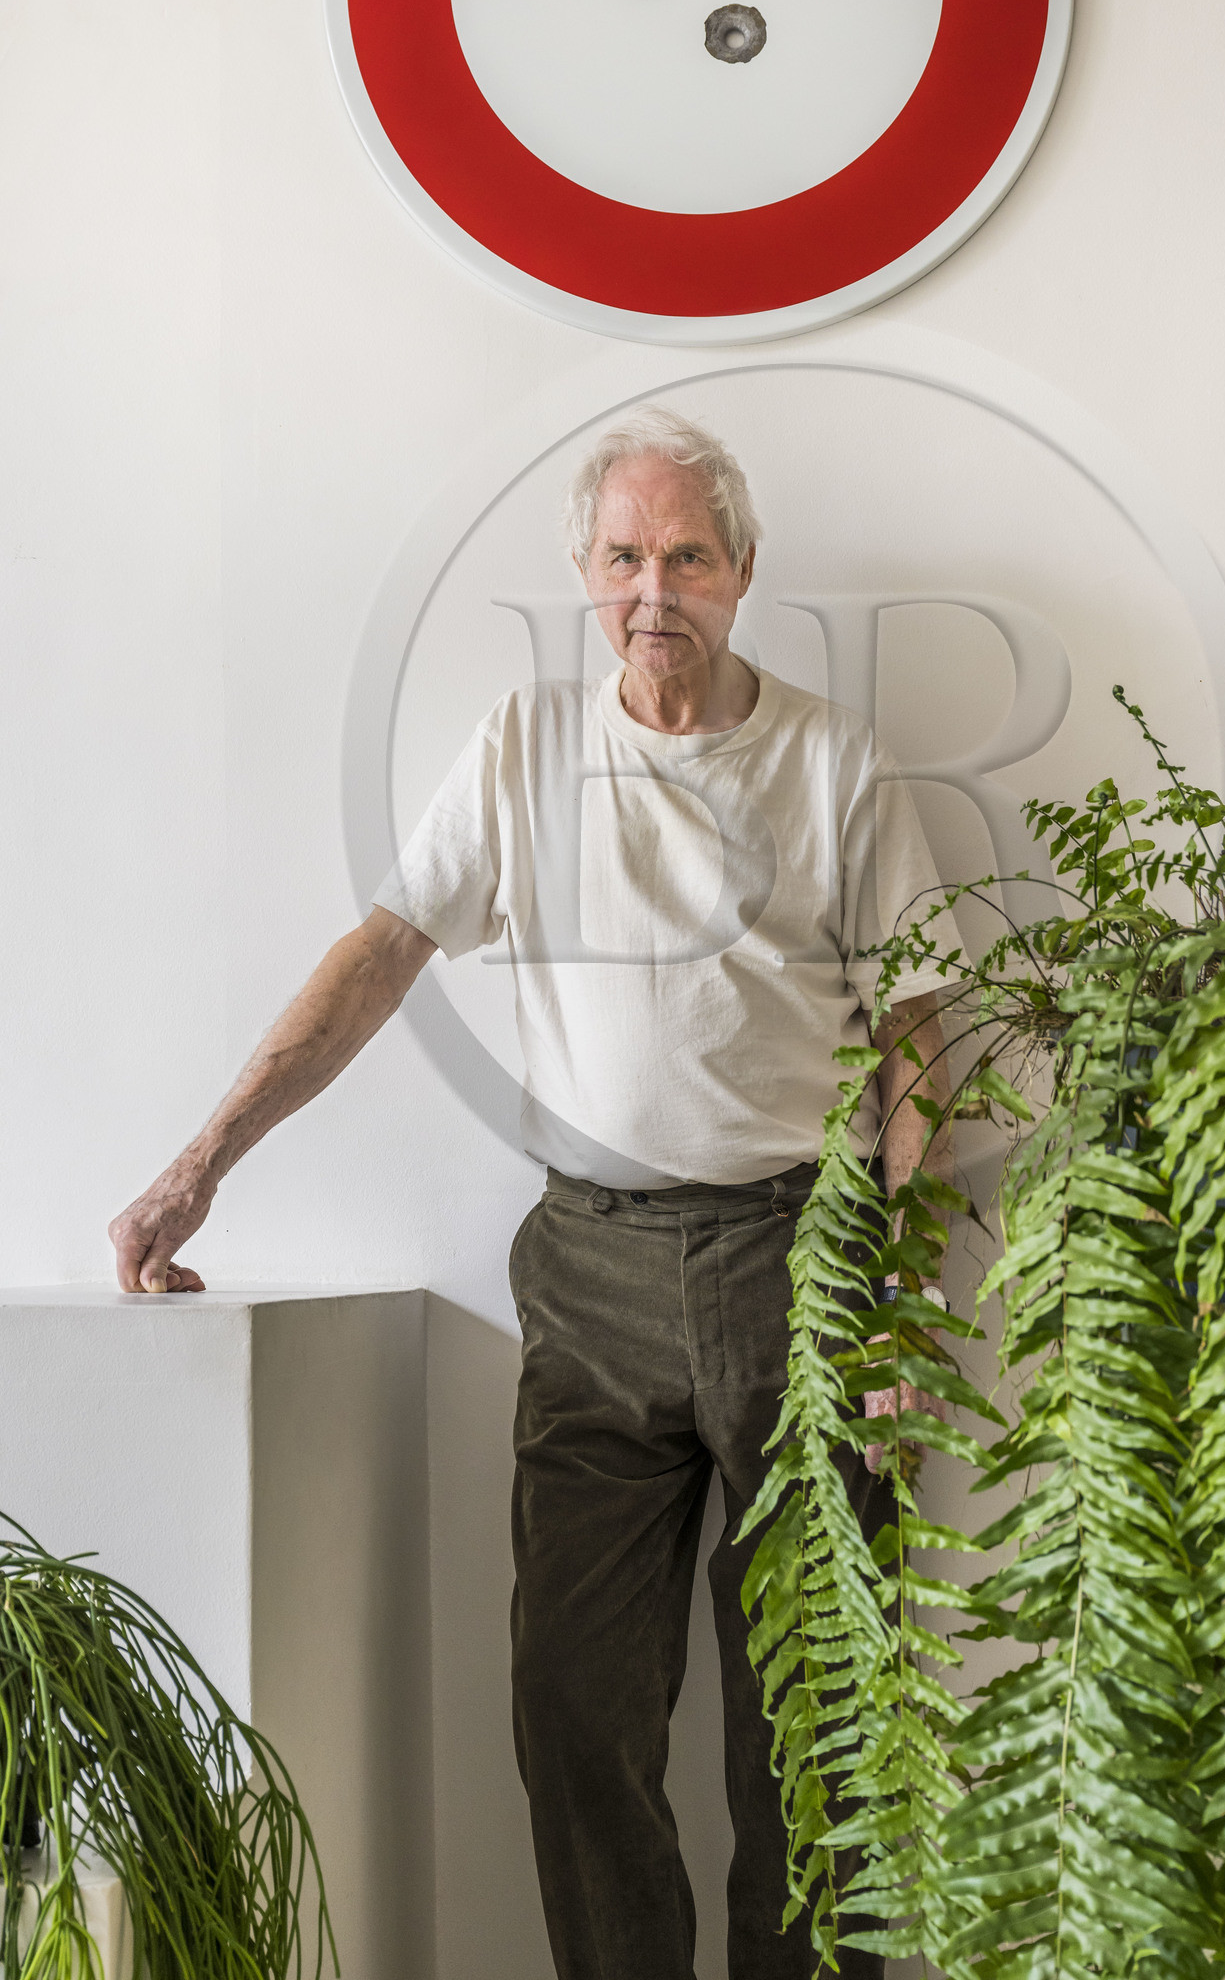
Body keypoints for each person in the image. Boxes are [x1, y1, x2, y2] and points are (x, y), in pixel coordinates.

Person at [109, 407, 962, 1980]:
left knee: (822, 1728)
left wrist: (901, 1300)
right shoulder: (522, 749)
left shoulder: (833, 760)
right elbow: (380, 958)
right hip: (592, 1271)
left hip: (802, 1266)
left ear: (742, 570)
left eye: (688, 555)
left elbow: (922, 1039)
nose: (656, 590)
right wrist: (200, 1164)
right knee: (574, 1707)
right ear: (584, 573)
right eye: (625, 555)